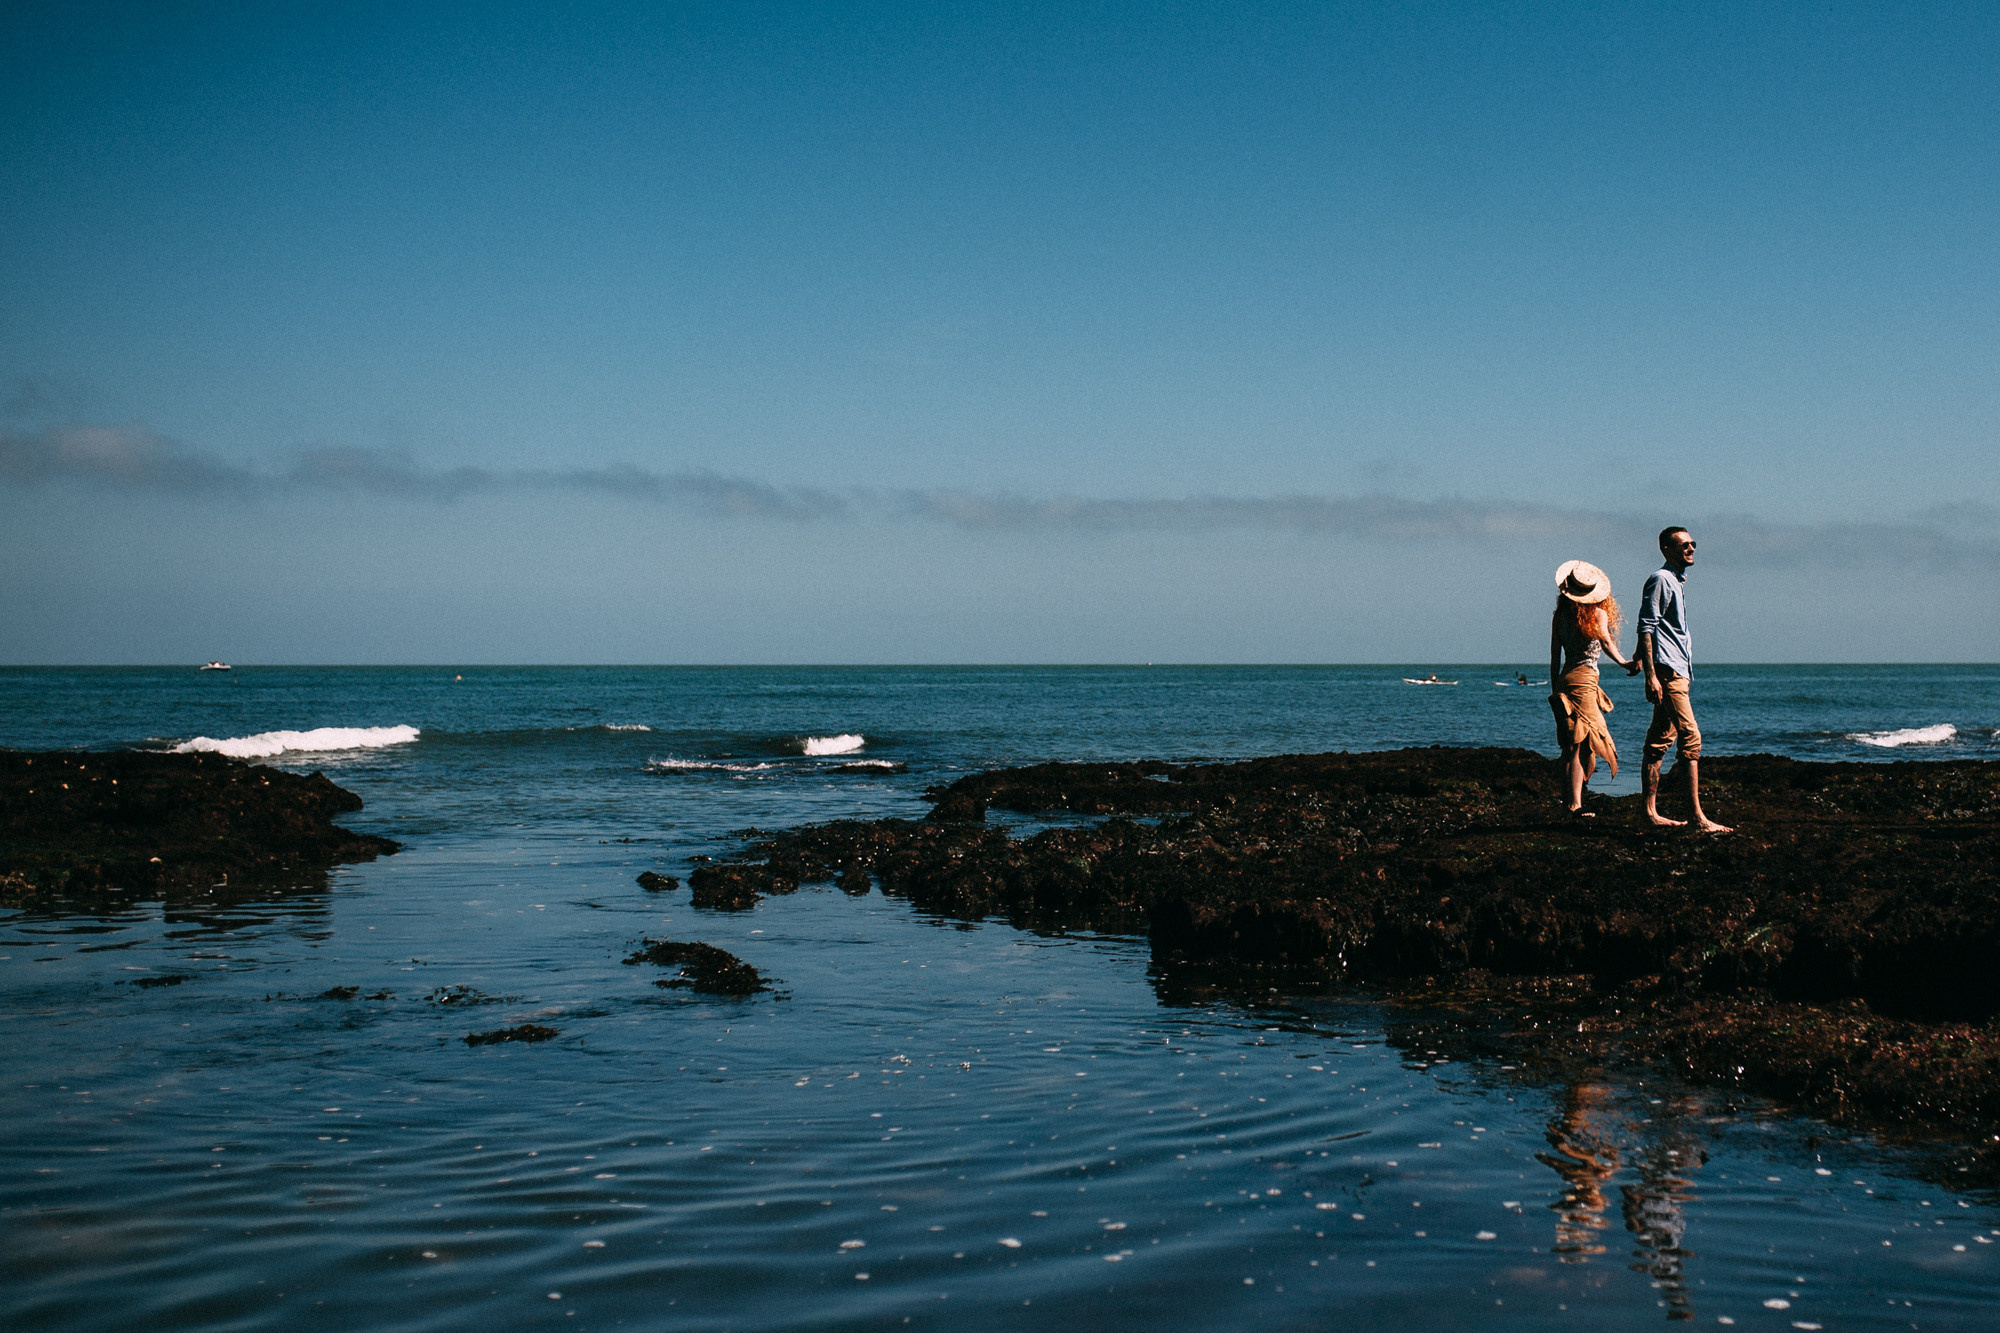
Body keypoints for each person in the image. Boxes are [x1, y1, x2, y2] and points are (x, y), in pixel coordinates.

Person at [1637, 526, 1731, 833]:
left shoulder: (1676, 581)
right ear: (1666, 549)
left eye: (1692, 543)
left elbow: (1654, 628)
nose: (1691, 548)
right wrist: (1651, 674)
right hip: (1668, 671)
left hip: (1678, 670)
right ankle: (1697, 818)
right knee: (1691, 738)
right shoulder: (1661, 579)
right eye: (1683, 545)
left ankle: (1648, 812)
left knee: (1659, 741)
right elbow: (1646, 625)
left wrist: (1644, 661)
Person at [1548, 560, 1640, 816]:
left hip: (1565, 680)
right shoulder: (1598, 615)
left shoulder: (1559, 616)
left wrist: (1555, 690)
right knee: (1582, 743)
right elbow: (1607, 644)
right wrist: (1625, 663)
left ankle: (1570, 801)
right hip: (1585, 682)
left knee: (1570, 744)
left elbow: (1555, 657)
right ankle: (1575, 804)